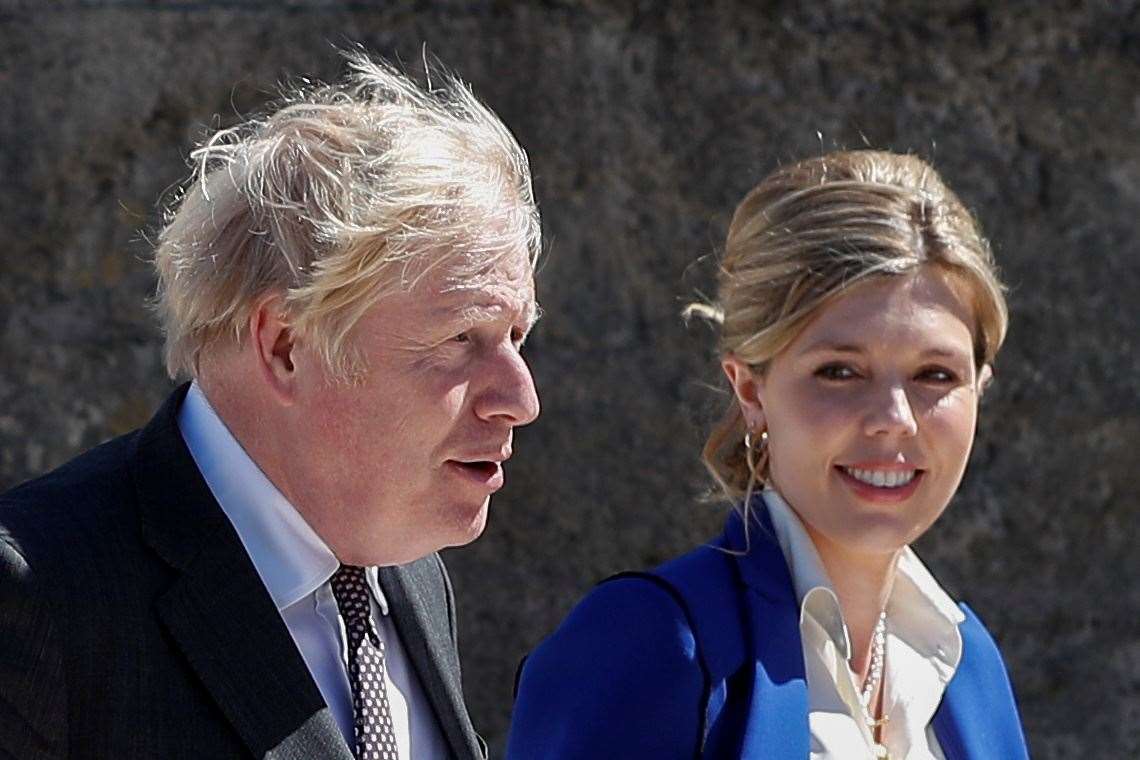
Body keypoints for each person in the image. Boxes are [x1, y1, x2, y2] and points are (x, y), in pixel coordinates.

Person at [0, 50, 541, 760]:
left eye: (517, 335)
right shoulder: (40, 596)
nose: (520, 399)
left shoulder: (404, 570)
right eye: (461, 338)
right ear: (286, 345)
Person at [507, 151, 1029, 759]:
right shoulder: (650, 644)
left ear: (980, 389)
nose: (894, 419)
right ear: (750, 389)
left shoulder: (972, 667)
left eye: (935, 375)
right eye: (840, 371)